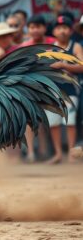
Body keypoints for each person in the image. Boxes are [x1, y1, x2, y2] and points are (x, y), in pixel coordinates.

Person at [46, 16, 83, 164]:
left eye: (65, 27)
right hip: (53, 91)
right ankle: (58, 153)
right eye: (59, 28)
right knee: (53, 123)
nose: (62, 31)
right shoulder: (49, 49)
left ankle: (71, 154)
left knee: (70, 122)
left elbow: (82, 66)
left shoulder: (75, 46)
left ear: (70, 30)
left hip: (70, 90)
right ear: (54, 31)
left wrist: (64, 66)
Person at [20, 14, 55, 163]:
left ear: (44, 28)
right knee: (30, 120)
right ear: (28, 29)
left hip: (50, 87)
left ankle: (43, 150)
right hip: (29, 87)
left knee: (45, 120)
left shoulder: (53, 43)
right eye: (32, 27)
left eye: (38, 27)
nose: (34, 30)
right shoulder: (24, 47)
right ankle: (31, 153)